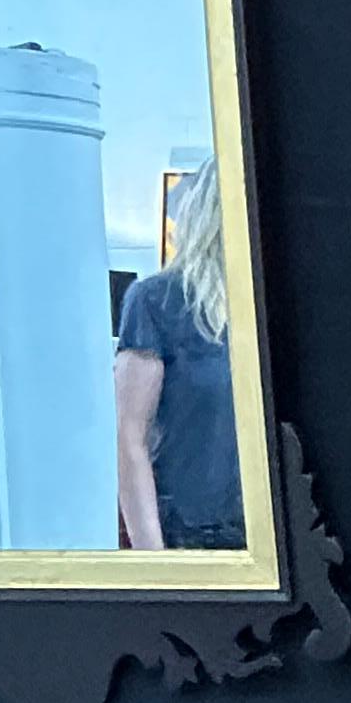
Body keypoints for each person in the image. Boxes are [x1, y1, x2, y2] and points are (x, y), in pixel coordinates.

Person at [115, 160, 245, 551]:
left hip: (288, 536)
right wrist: (155, 566)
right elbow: (129, 438)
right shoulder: (158, 300)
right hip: (195, 535)